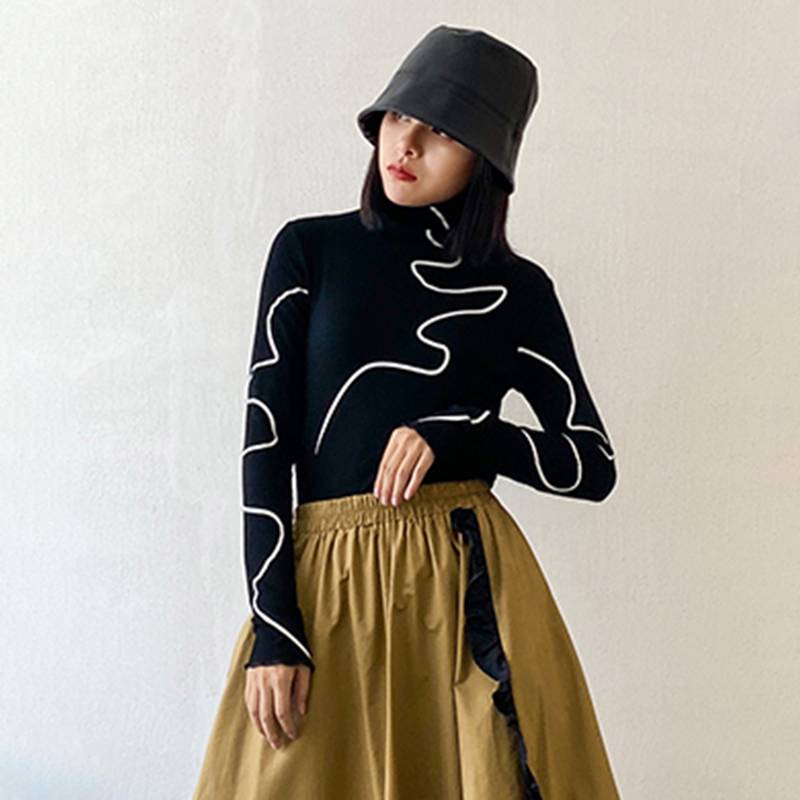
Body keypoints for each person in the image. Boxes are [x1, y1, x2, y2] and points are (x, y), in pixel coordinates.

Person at [193, 24, 620, 800]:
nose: (408, 143)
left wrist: (461, 433)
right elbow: (266, 444)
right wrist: (274, 628)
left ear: (487, 158)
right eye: (398, 117)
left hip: (466, 597)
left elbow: (592, 465)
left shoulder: (518, 291)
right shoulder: (309, 251)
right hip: (327, 590)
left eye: (443, 131)